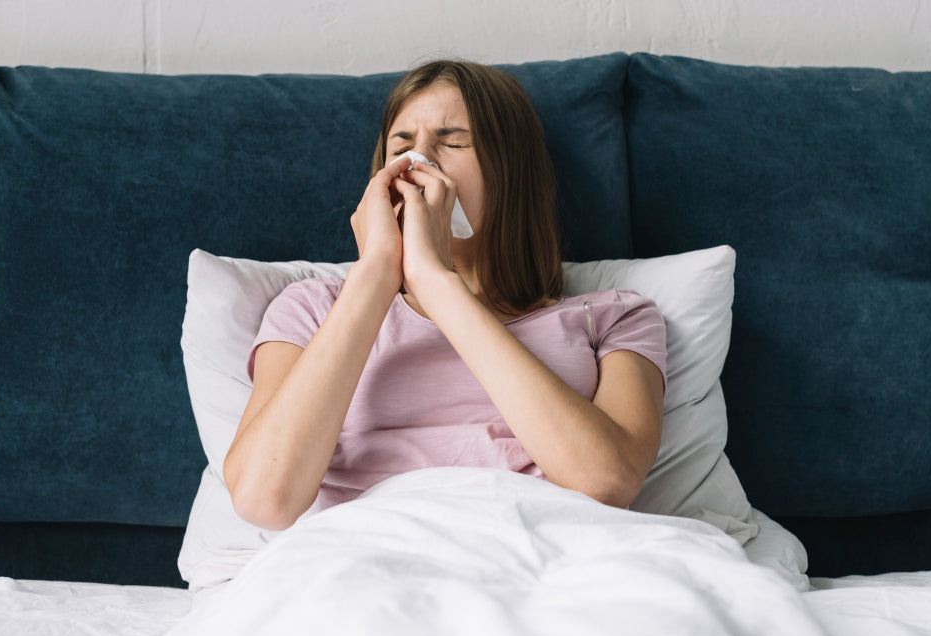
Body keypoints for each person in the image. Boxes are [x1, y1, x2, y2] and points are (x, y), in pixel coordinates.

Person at [223, 60, 667, 532]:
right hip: (367, 556)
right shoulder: (312, 309)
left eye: (453, 142)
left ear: (511, 172)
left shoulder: (617, 317)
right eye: (402, 145)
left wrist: (437, 282)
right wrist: (375, 273)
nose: (419, 162)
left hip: (545, 546)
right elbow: (263, 499)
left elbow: (607, 481)